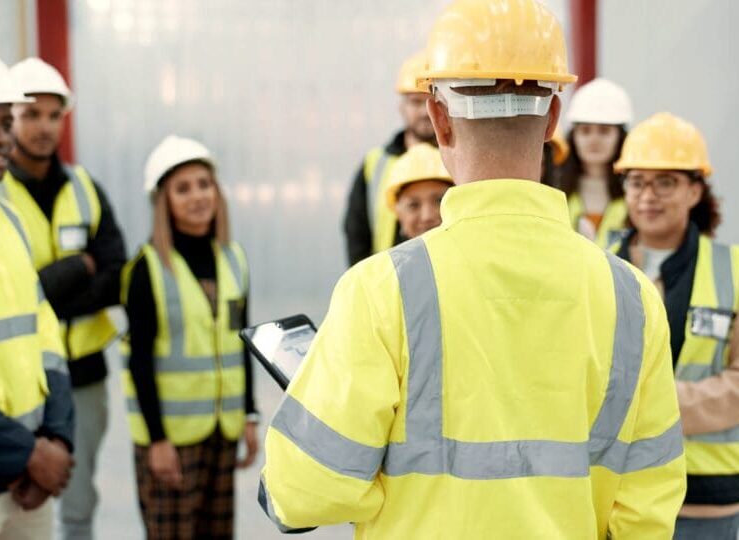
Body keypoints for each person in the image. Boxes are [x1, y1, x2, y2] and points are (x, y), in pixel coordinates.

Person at [259, 1, 686, 538]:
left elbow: (304, 491)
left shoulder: (381, 291)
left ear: (438, 118)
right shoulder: (633, 299)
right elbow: (648, 510)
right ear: (554, 120)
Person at [0, 57, 126, 540]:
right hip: (18, 373)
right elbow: (6, 293)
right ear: (10, 116)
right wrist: (78, 266)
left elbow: (115, 275)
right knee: (9, 501)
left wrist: (45, 290)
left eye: (54, 115)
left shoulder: (86, 189)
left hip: (85, 372)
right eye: (32, 114)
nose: (45, 126)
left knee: (77, 499)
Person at [121, 135, 259, 539]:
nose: (197, 196)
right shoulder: (147, 269)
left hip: (222, 431)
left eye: (204, 184)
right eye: (183, 188)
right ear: (163, 201)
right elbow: (139, 362)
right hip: (172, 440)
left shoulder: (233, 259)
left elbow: (242, 343)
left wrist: (249, 415)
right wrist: (158, 441)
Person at [611, 112, 739, 539]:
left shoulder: (733, 270)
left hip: (709, 503)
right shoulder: (591, 262)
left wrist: (656, 405)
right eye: (636, 182)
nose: (648, 196)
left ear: (694, 190)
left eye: (665, 182)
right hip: (615, 492)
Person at [0, 43, 74, 539]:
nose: (0, 139)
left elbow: (44, 333)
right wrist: (28, 453)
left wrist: (57, 436)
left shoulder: (5, 217)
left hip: (31, 480)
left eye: (4, 123)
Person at [343, 50, 436, 266]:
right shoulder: (375, 164)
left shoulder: (461, 161)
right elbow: (356, 231)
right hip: (387, 284)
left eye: (431, 101)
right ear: (401, 107)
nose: (424, 112)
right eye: (415, 102)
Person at [557, 78, 633, 246]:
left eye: (604, 131)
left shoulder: (636, 192)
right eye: (585, 131)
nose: (594, 140)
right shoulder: (554, 189)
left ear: (620, 137)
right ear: (573, 136)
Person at [382, 143, 453, 241]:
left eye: (440, 201)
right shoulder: (389, 257)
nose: (427, 216)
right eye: (413, 205)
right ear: (398, 213)